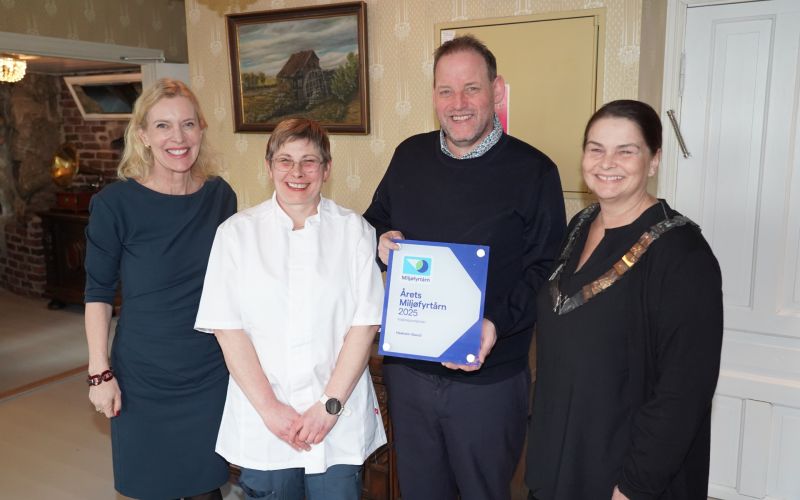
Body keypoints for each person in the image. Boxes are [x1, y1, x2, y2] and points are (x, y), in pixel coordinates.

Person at [363, 35, 567, 500]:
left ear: (496, 90)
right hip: (409, 375)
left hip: (489, 382)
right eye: (446, 91)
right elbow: (373, 221)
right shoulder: (409, 156)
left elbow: (547, 269)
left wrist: (495, 323)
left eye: (471, 89)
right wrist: (379, 241)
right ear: (434, 96)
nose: (458, 104)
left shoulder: (535, 171)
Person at [525, 100, 724, 499]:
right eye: (596, 148)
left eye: (626, 151)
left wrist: (634, 486)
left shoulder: (683, 255)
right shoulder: (580, 224)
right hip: (561, 458)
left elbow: (684, 392)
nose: (607, 162)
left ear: (654, 161)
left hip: (625, 474)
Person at [194, 118, 386, 500]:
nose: (296, 172)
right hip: (264, 417)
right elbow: (228, 330)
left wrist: (329, 406)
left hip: (337, 417)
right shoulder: (235, 234)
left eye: (309, 161)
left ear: (326, 169)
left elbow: (364, 326)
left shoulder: (355, 232)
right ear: (269, 167)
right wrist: (270, 409)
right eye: (285, 160)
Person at [84, 78, 237, 500]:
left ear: (201, 129)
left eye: (188, 124)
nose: (178, 138)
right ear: (143, 136)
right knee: (151, 487)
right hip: (142, 375)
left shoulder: (220, 197)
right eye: (163, 126)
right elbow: (98, 294)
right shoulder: (115, 204)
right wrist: (100, 373)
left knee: (206, 489)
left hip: (208, 371)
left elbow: (236, 280)